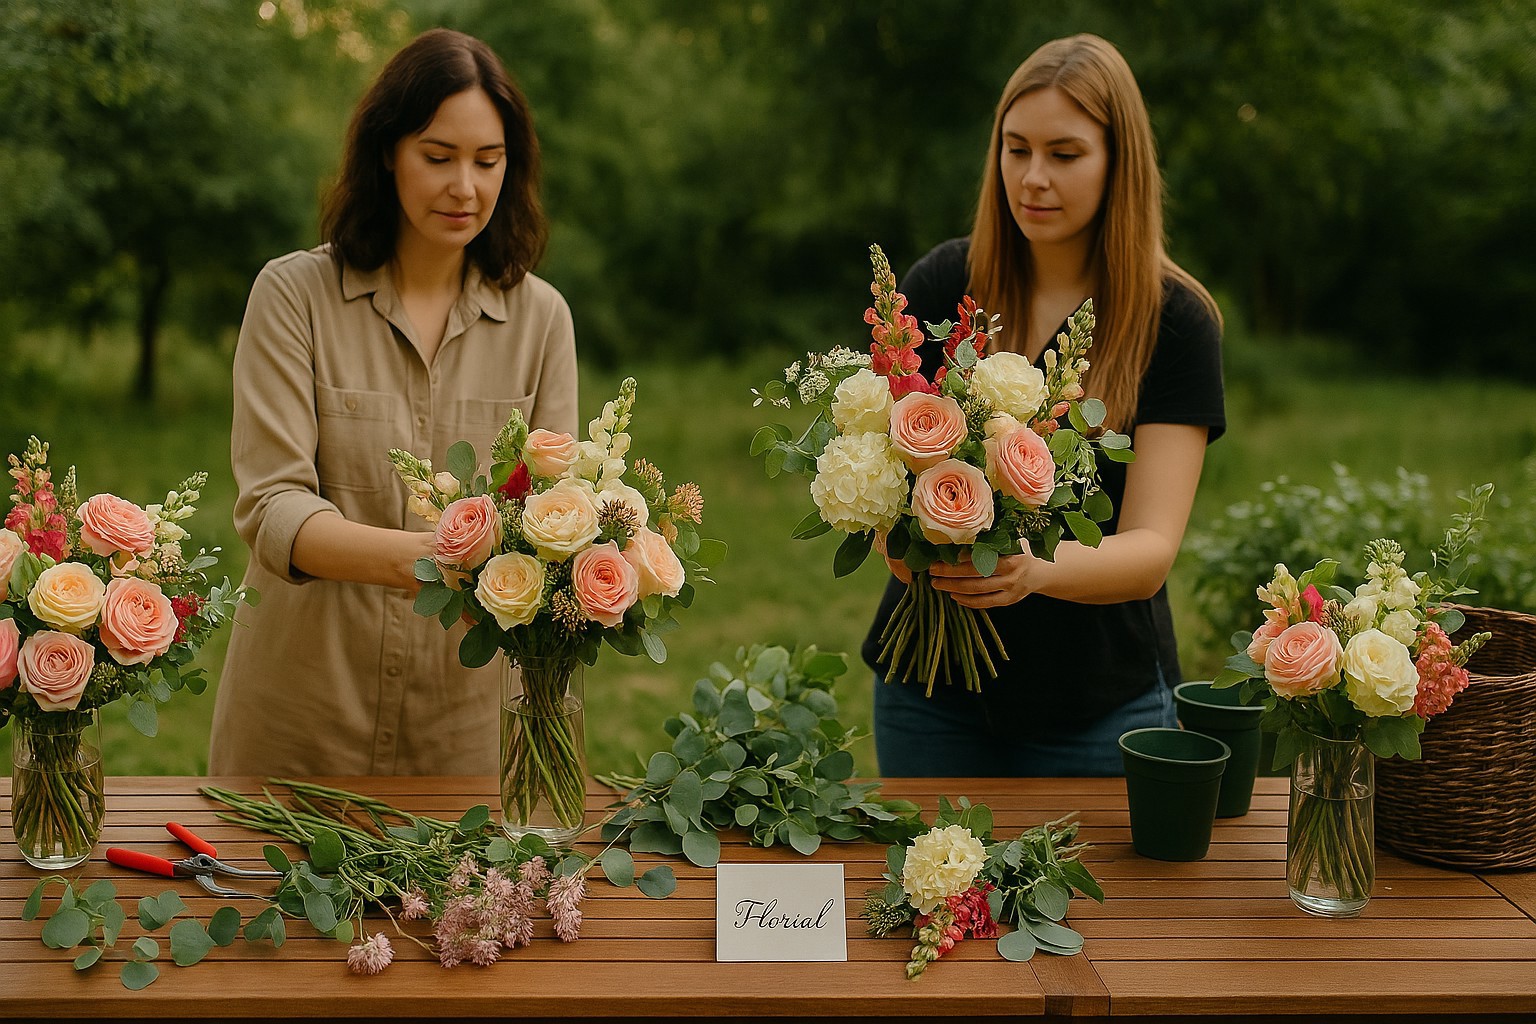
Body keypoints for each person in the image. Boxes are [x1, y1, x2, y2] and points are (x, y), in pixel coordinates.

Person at [209, 29, 577, 776]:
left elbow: (556, 517)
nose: (465, 188)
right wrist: (432, 559)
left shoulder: (542, 319)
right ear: (387, 153)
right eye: (438, 158)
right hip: (302, 718)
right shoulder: (292, 297)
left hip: (468, 727)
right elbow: (272, 506)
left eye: (487, 161)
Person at [862, 34, 1225, 777]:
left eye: (1064, 154)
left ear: (1118, 161)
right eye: (1016, 148)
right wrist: (898, 544)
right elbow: (878, 476)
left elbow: (1150, 550)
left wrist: (1032, 568)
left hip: (1099, 707)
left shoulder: (1175, 320)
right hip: (929, 694)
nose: (1032, 178)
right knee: (923, 892)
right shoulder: (944, 282)